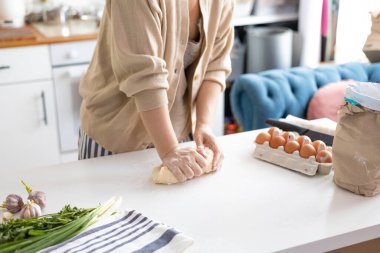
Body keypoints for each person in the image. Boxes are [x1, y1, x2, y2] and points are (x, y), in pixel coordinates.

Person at [78, 0, 234, 182]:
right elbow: (145, 75)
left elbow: (215, 64)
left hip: (179, 137)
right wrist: (169, 150)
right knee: (106, 209)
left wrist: (204, 124)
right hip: (116, 137)